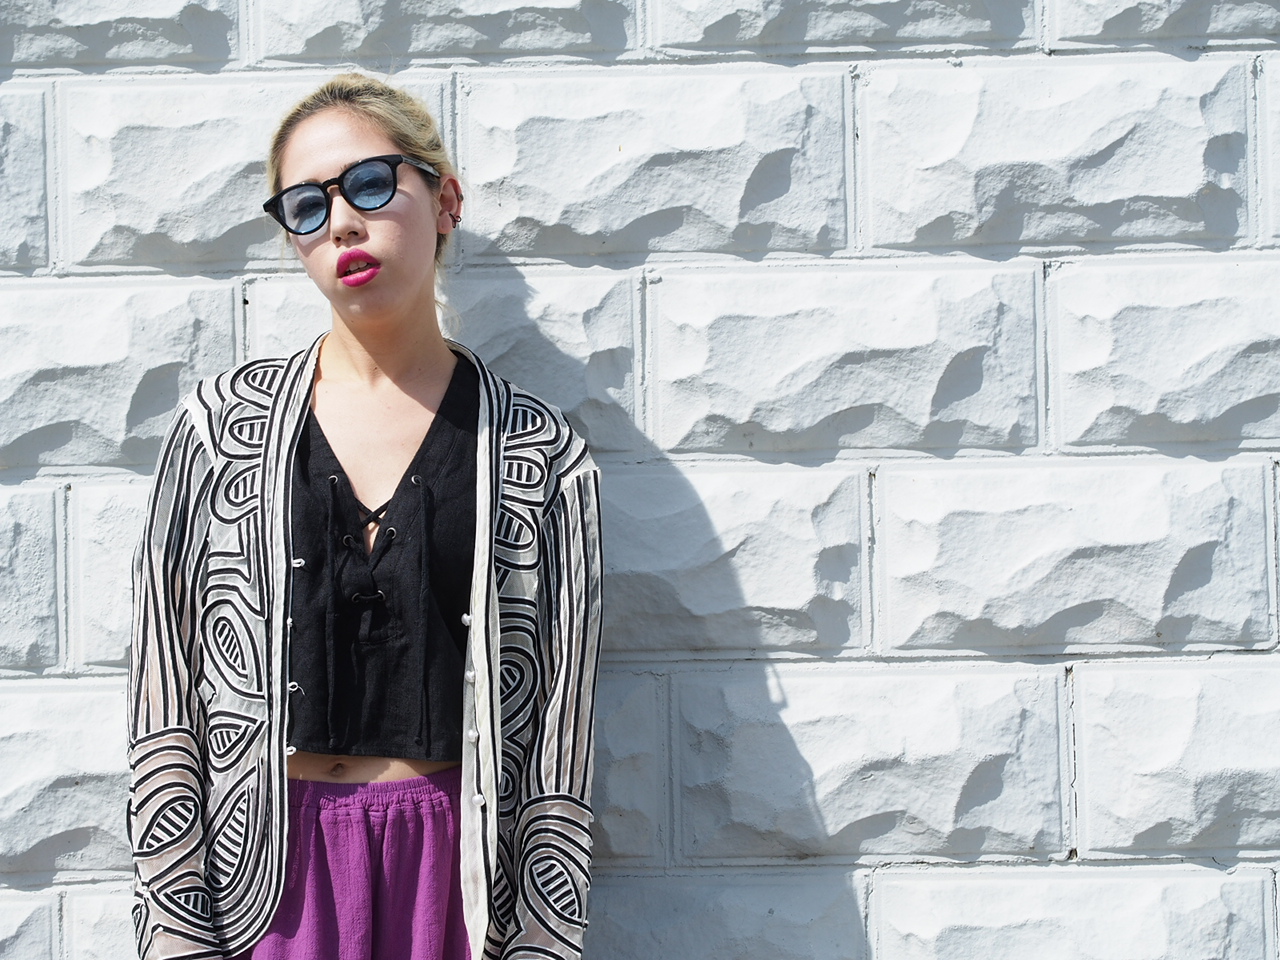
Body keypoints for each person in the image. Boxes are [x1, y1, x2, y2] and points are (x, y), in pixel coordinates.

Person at [126, 73, 604, 960]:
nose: (342, 222)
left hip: (455, 884)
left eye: (371, 184)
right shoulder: (218, 433)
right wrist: (178, 929)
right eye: (307, 206)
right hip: (266, 881)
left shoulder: (540, 455)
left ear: (446, 199)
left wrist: (540, 938)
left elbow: (559, 742)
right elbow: (164, 700)